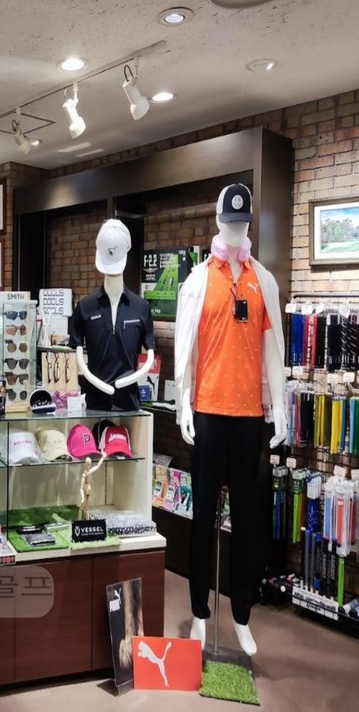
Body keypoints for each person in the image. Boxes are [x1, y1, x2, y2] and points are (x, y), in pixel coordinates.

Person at [174, 183, 286, 657]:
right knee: (202, 518)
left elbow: (274, 350)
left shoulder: (264, 281)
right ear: (218, 223)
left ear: (248, 225)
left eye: (242, 224)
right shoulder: (197, 281)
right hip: (208, 412)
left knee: (245, 519)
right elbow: (185, 348)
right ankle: (200, 613)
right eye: (229, 223)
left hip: (247, 417)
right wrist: (183, 402)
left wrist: (280, 407)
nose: (236, 231)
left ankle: (241, 615)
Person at [70, 219, 156, 410]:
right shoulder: (84, 307)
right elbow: (79, 358)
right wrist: (96, 382)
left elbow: (150, 355)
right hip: (94, 402)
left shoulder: (141, 307)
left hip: (129, 402)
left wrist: (129, 380)